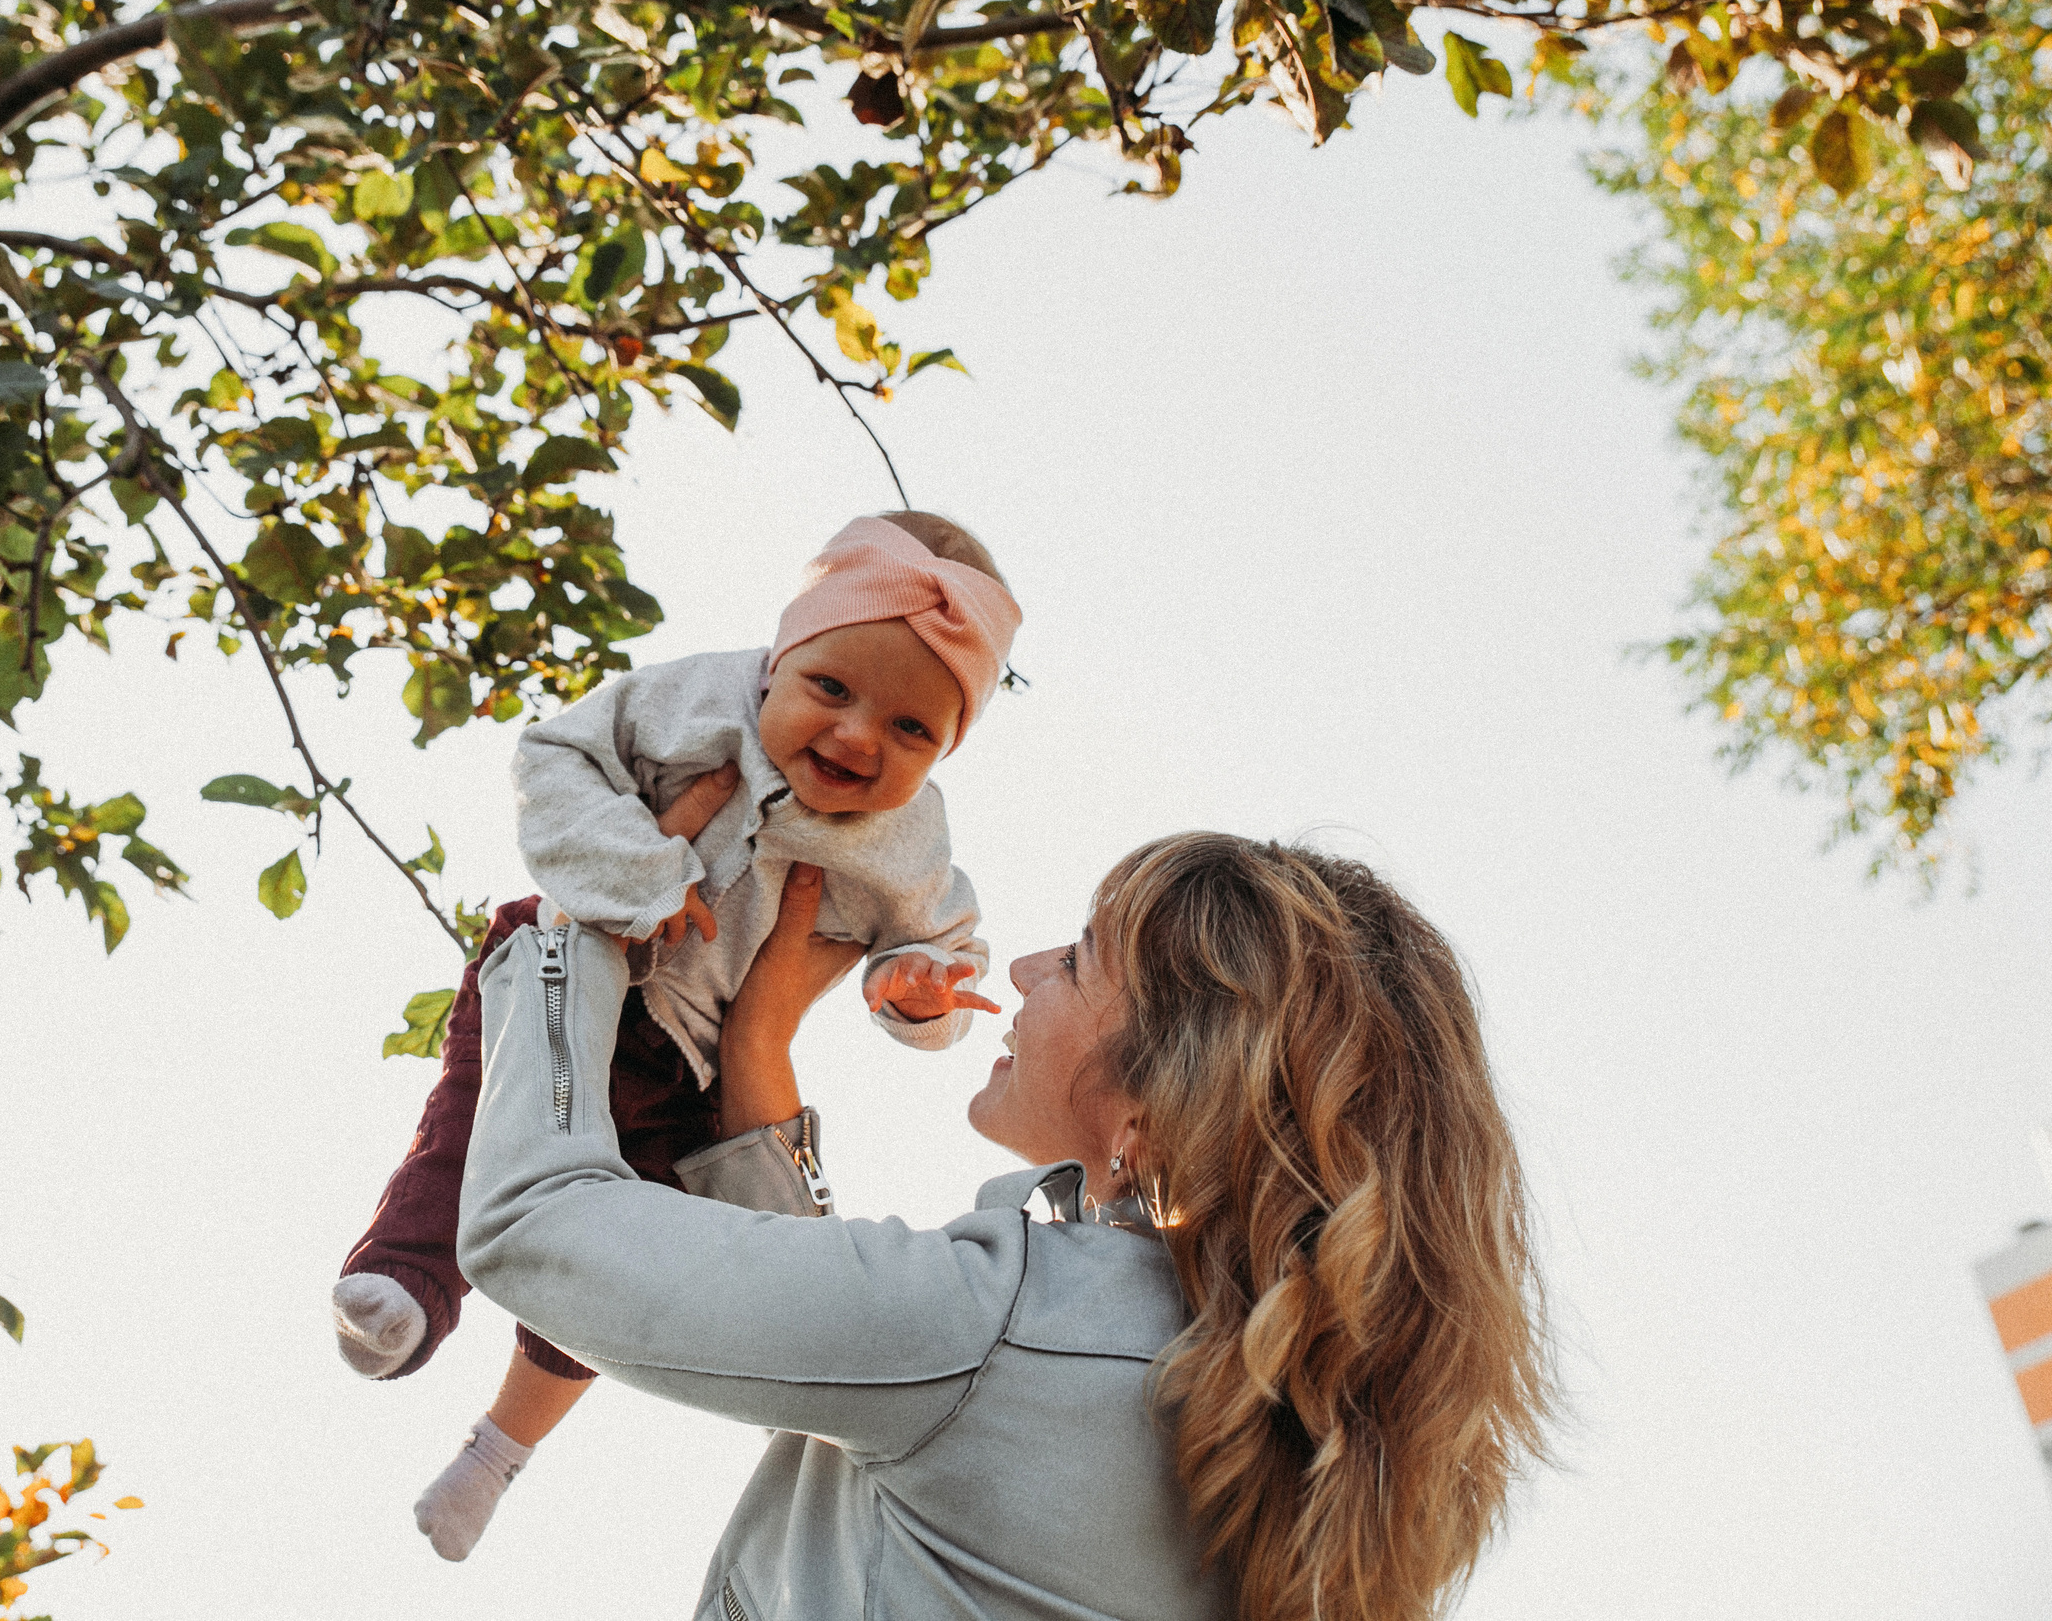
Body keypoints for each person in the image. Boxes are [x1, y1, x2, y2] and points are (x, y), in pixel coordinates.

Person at [458, 830, 1555, 1621]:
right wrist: (756, 1055)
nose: (1024, 970)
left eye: (1078, 959)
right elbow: (881, 1392)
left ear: (1157, 1097)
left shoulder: (1007, 1323)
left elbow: (532, 1228)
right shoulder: (1250, 1408)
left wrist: (573, 925)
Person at [330, 512, 1024, 1559]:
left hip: (687, 1052)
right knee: (471, 1124)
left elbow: (936, 943)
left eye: (910, 731)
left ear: (946, 746)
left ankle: (498, 1451)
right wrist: (640, 872)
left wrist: (916, 991)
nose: (854, 738)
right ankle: (407, 1278)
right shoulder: (698, 699)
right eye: (830, 690)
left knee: (621, 1250)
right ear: (780, 657)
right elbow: (556, 755)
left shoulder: (911, 839)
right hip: (573, 951)